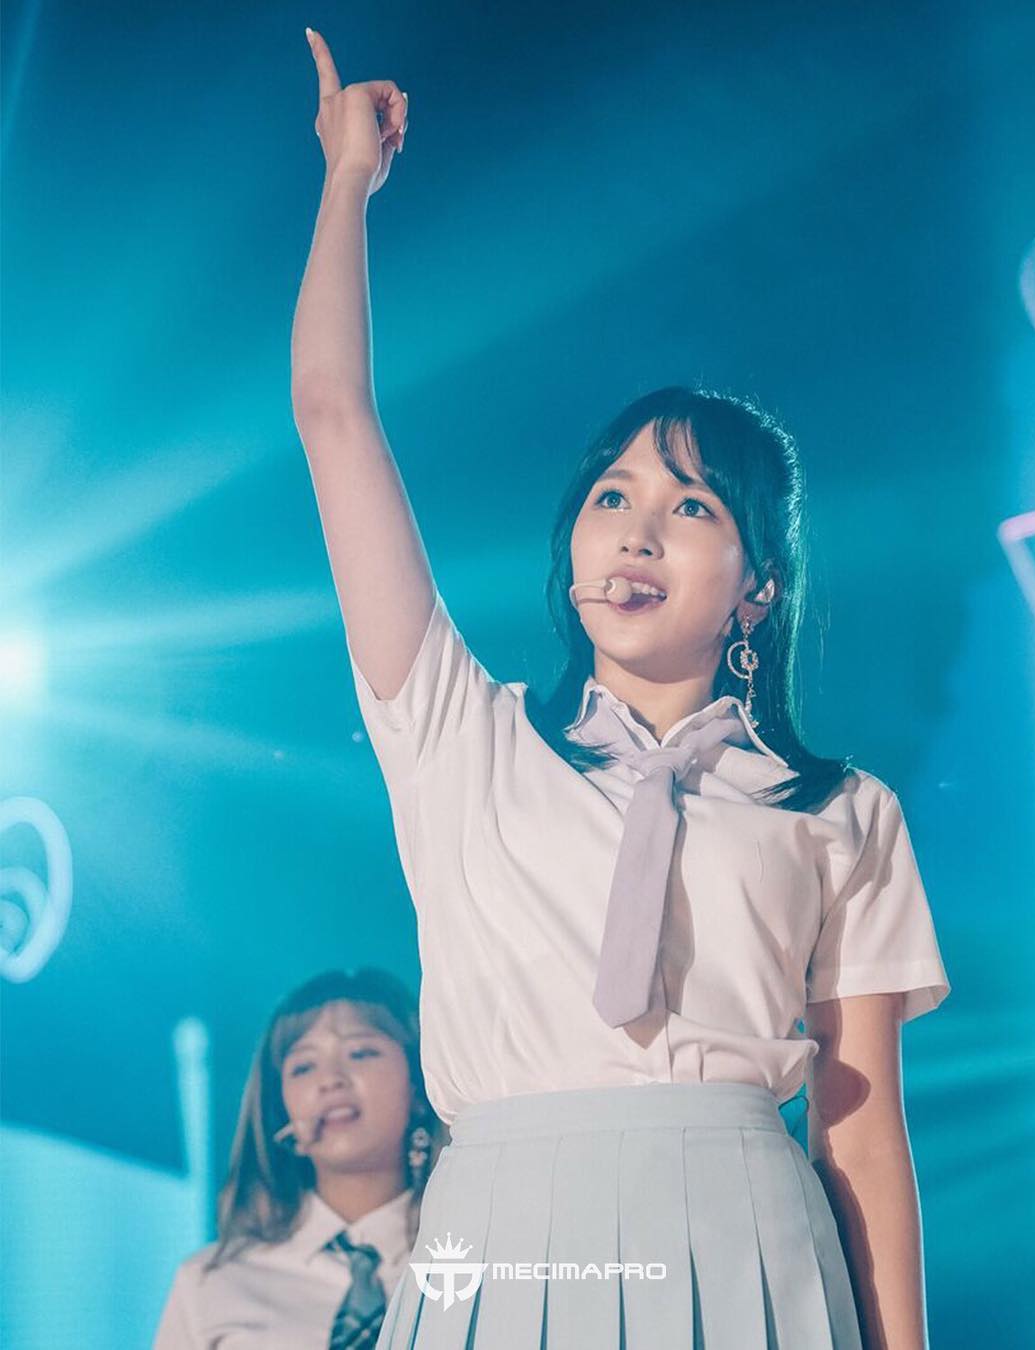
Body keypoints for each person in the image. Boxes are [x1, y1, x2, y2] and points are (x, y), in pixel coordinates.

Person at [292, 28, 951, 1350]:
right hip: (498, 1236)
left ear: (757, 588)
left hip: (751, 1244)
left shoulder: (841, 809)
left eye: (691, 506)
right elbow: (333, 414)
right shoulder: (458, 731)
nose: (637, 530)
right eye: (612, 496)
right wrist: (346, 183)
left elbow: (864, 1131)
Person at [154, 967, 444, 1349]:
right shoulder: (209, 1281)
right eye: (303, 1066)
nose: (330, 1079)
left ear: (420, 1087)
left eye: (360, 1053)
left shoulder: (476, 1264)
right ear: (282, 1111)